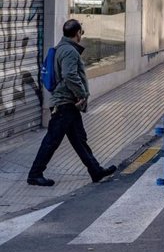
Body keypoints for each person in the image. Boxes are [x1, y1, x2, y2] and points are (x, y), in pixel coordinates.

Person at [27, 19, 116, 186]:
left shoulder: (62, 48)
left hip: (67, 103)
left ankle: (95, 170)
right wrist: (81, 94)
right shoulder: (69, 51)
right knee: (52, 140)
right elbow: (70, 75)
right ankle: (35, 174)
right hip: (65, 103)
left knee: (79, 140)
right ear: (77, 34)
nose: (81, 35)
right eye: (81, 32)